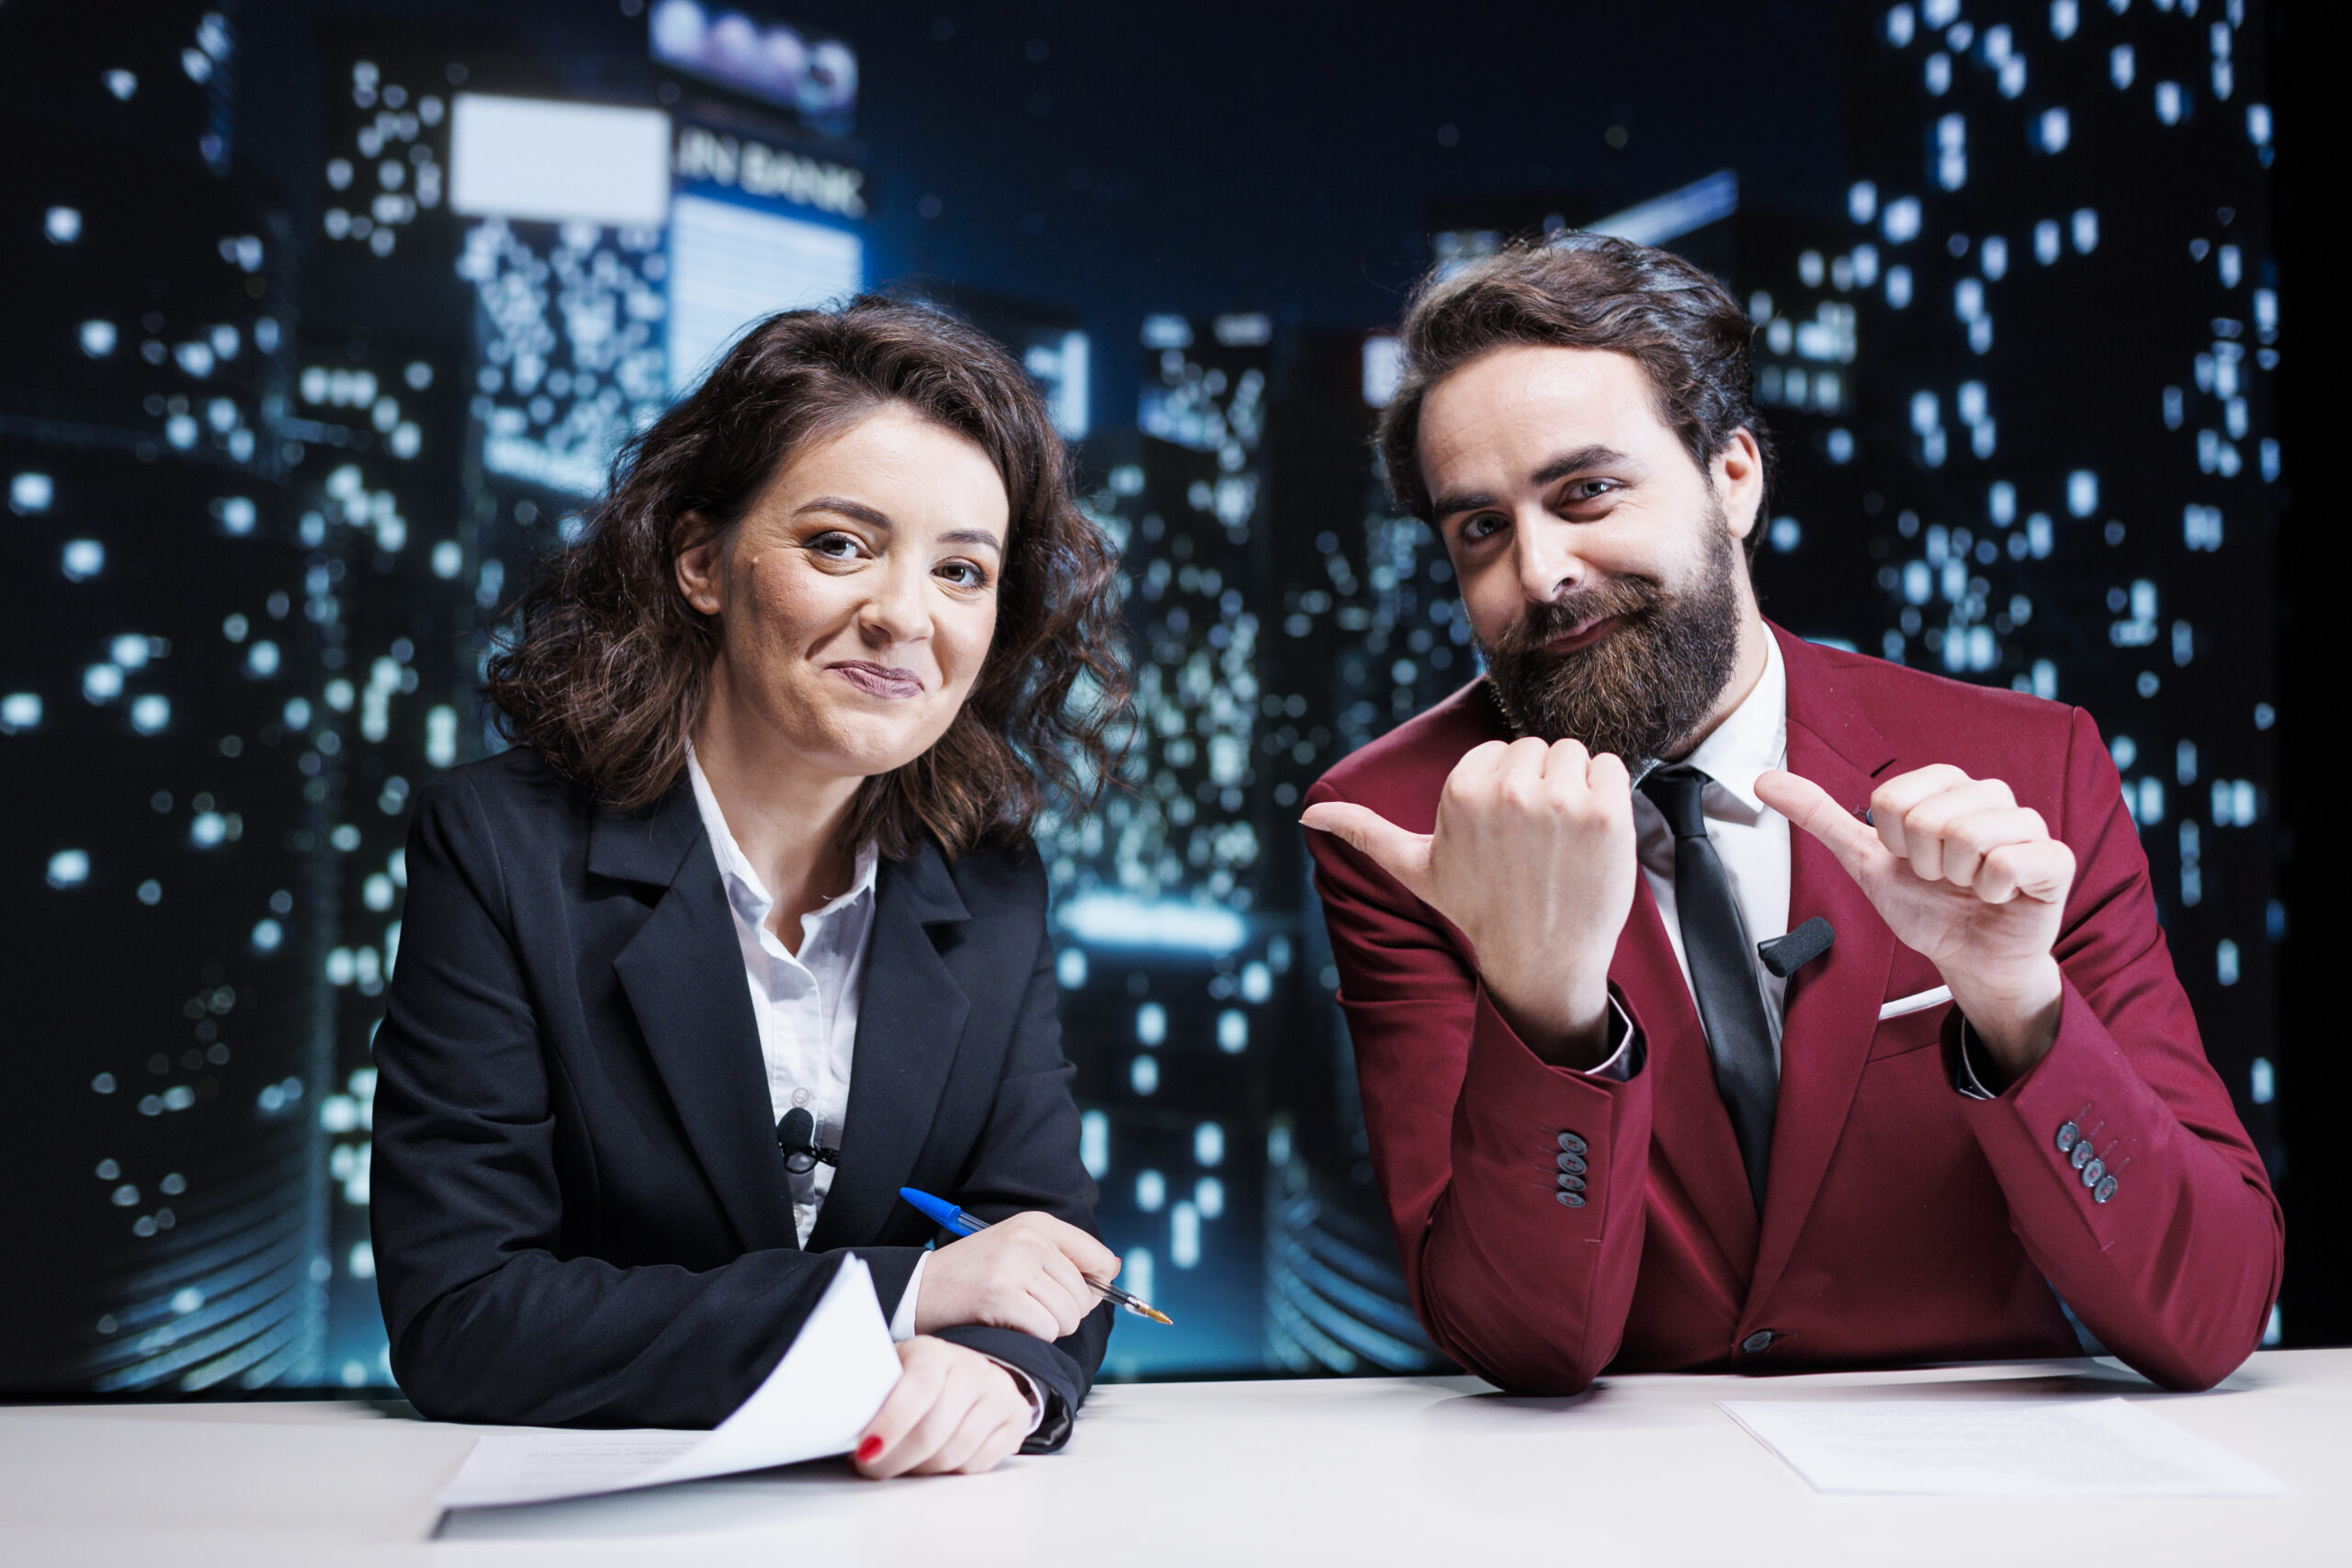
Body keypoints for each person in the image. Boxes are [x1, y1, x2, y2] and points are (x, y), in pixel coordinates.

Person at [1301, 236, 2280, 1396]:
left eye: (1587, 493)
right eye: (1480, 529)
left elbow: (2211, 1311)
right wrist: (1549, 1007)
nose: (1541, 568)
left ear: (1733, 476)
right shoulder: (1400, 825)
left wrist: (2017, 1006)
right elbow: (1521, 1344)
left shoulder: (2029, 768)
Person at [370, 298, 1131, 1478]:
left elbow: (1043, 1252)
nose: (903, 614)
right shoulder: (498, 847)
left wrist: (999, 1372)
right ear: (699, 562)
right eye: (840, 545)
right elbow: (464, 1317)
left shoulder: (988, 882)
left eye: (962, 571)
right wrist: (906, 1296)